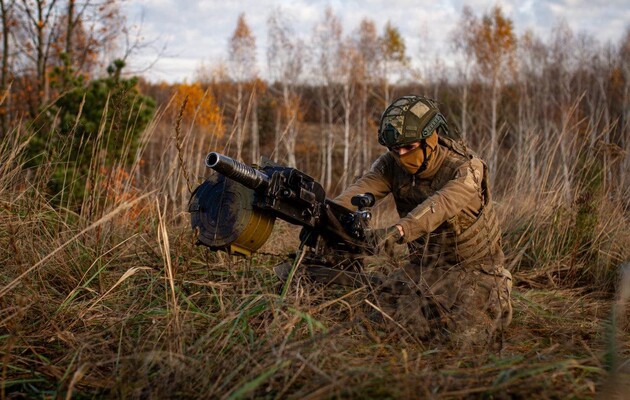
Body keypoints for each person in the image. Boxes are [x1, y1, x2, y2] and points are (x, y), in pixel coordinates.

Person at [333, 95, 512, 348]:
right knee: (375, 323)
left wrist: (398, 231)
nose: (402, 155)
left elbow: (442, 204)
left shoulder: (467, 168)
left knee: (463, 341)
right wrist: (329, 213)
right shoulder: (391, 164)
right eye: (395, 149)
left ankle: (498, 295)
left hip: (476, 270)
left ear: (431, 139)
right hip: (424, 268)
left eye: (410, 147)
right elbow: (362, 189)